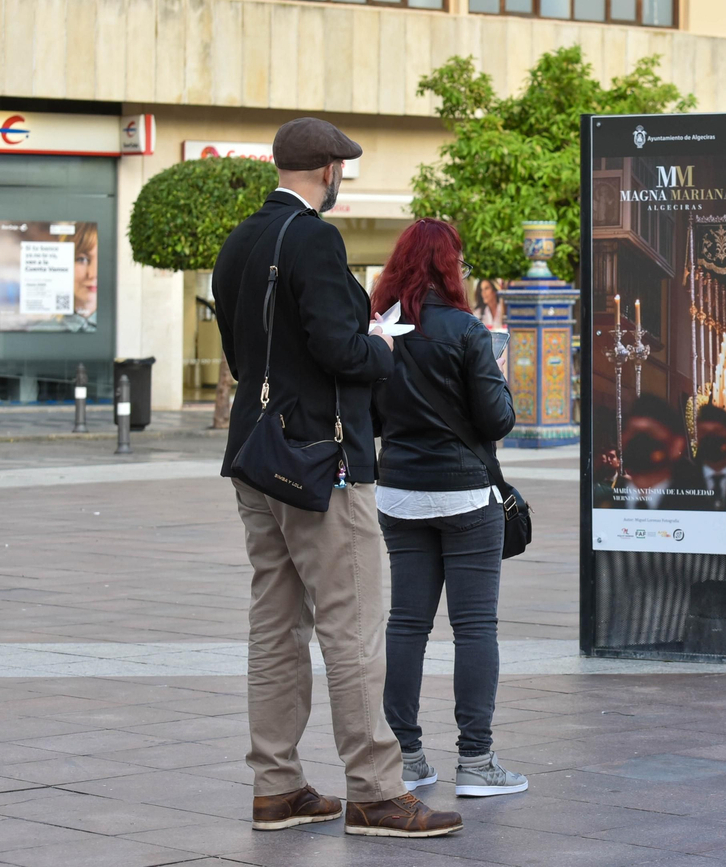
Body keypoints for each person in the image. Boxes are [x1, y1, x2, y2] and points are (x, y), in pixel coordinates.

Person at [212, 118, 462, 839]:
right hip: (323, 462)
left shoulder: (240, 239)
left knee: (275, 625)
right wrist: (379, 345)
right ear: (328, 171)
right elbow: (337, 349)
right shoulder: (315, 239)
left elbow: (241, 354)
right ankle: (376, 791)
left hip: (256, 455)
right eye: (341, 170)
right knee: (351, 625)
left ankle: (276, 786)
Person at [370, 218, 525, 800]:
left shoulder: (379, 329)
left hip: (400, 492)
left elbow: (372, 417)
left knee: (407, 623)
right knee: (475, 626)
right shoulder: (467, 330)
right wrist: (499, 379)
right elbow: (496, 420)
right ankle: (476, 761)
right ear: (446, 265)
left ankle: (406, 759)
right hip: (465, 494)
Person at [614, 394, 706, 510]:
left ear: (676, 445)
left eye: (650, 433)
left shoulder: (696, 506)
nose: (640, 442)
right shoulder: (606, 505)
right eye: (633, 432)